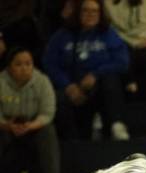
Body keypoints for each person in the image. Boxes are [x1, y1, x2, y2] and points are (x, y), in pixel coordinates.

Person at [43, 0, 131, 141]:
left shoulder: (108, 33)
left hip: (97, 87)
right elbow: (50, 63)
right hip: (69, 87)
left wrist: (96, 74)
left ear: (100, 14)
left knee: (110, 79)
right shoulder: (62, 35)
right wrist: (67, 86)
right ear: (78, 12)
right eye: (86, 10)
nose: (90, 15)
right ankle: (70, 142)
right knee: (57, 99)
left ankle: (116, 124)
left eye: (95, 11)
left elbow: (122, 61)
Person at [0, 47, 62, 173]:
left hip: (34, 126)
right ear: (9, 66)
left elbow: (48, 113)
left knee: (48, 132)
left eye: (28, 63)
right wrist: (6, 125)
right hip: (6, 126)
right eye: (18, 64)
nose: (24, 68)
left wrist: (30, 125)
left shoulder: (42, 81)